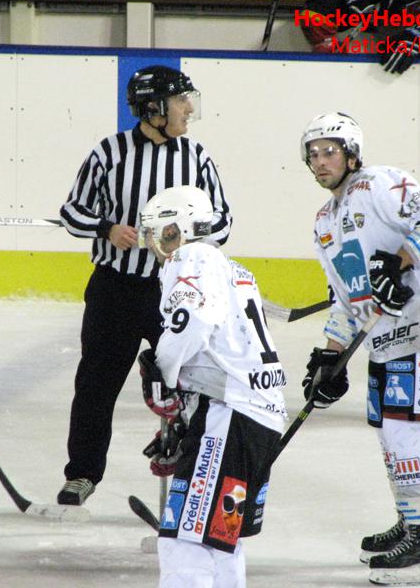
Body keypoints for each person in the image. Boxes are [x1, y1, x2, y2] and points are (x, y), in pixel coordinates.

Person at [301, 112, 420, 585]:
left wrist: (398, 262)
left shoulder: (378, 182)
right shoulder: (324, 221)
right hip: (383, 339)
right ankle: (413, 523)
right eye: (313, 154)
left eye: (330, 151)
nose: (320, 161)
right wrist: (330, 356)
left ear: (352, 154)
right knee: (390, 438)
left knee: (403, 436)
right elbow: (346, 298)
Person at [57, 65, 232, 506]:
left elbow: (224, 221)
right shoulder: (109, 153)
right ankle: (82, 473)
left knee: (190, 387)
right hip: (114, 290)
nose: (188, 109)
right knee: (96, 385)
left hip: (176, 292)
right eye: (179, 101)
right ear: (154, 108)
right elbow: (72, 212)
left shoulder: (196, 156)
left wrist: (185, 234)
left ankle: (192, 475)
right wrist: (106, 228)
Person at [136, 186, 287, 587]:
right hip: (253, 419)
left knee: (184, 543)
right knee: (221, 541)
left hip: (229, 418)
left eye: (158, 233)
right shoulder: (233, 269)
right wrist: (189, 424)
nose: (153, 244)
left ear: (179, 229)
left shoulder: (193, 257)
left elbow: (195, 324)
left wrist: (163, 376)